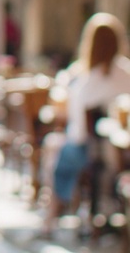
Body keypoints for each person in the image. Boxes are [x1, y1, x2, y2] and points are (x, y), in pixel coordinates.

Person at [40, 12, 130, 238]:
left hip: (92, 154)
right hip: (121, 153)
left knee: (55, 147)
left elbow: (78, 132)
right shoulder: (126, 73)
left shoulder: (85, 80)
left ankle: (52, 213)